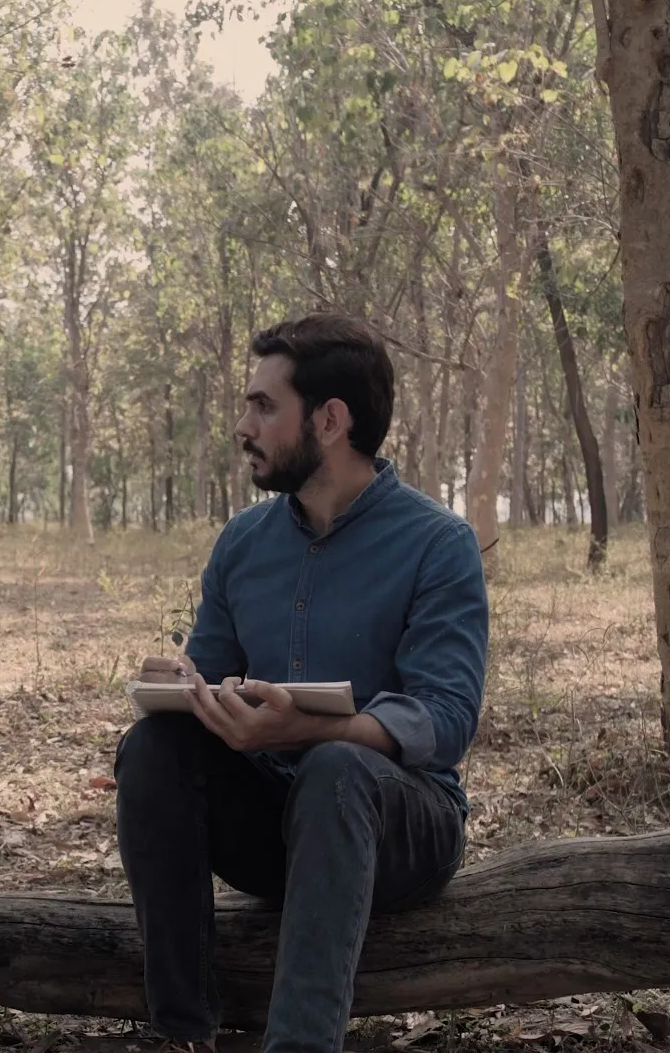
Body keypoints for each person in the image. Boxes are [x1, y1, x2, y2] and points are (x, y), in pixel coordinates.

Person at [115, 313, 487, 1053]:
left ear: (330, 420)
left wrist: (316, 729)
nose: (243, 426)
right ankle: (184, 1032)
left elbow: (446, 718)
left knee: (336, 768)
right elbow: (211, 676)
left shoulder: (437, 544)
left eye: (264, 406)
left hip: (399, 829)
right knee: (153, 748)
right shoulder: (242, 543)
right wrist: (183, 685)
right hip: (274, 823)